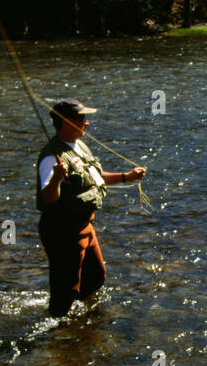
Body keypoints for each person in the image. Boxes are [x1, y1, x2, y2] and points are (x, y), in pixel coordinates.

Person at [36, 97, 146, 318]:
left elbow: (94, 178)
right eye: (82, 118)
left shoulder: (80, 146)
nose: (87, 123)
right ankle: (58, 335)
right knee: (65, 293)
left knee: (96, 277)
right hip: (62, 231)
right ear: (66, 122)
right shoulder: (51, 158)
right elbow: (47, 198)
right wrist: (57, 179)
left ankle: (83, 323)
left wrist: (126, 177)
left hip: (84, 226)